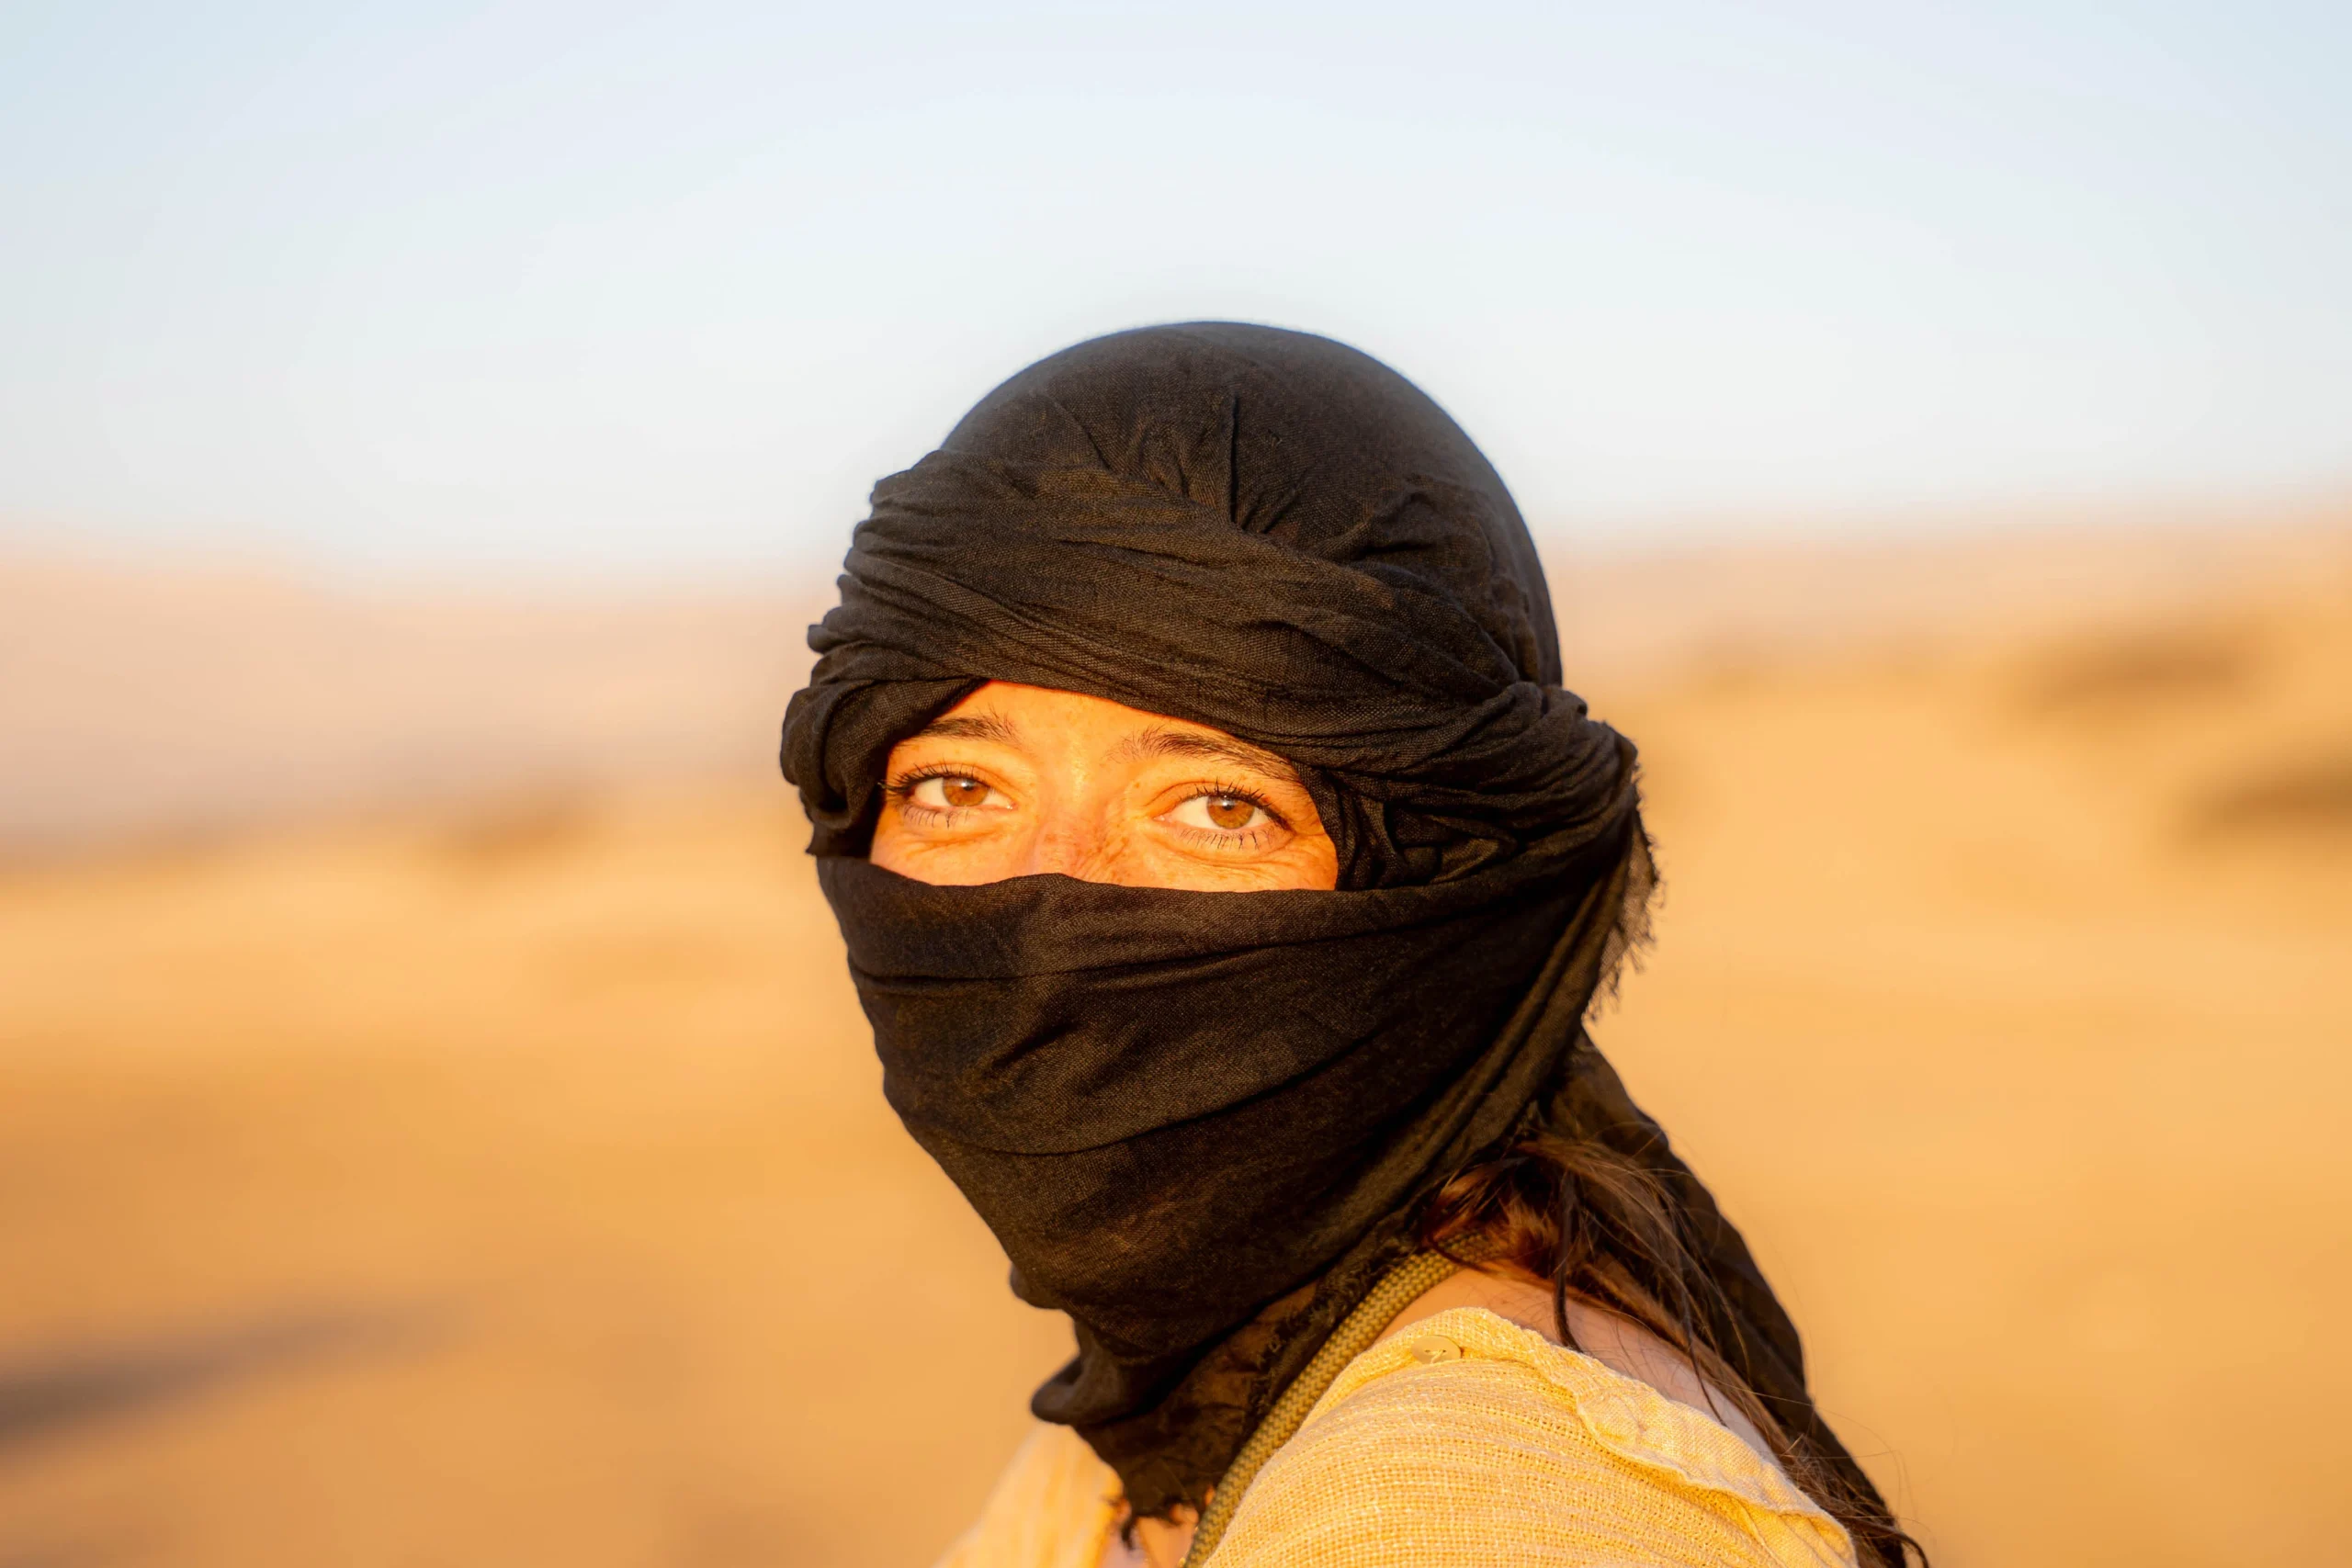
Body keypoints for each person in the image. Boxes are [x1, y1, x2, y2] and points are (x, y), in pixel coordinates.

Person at [782, 323, 1918, 1567]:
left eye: (1220, 807)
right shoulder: (1171, 1423)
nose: (1052, 899)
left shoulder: (1462, 1502)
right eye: (955, 785)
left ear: (1446, 897)